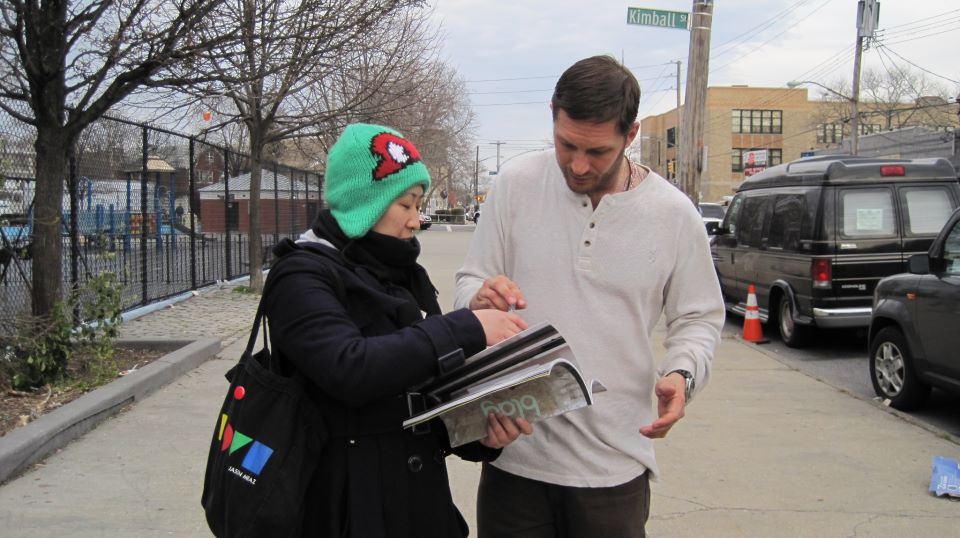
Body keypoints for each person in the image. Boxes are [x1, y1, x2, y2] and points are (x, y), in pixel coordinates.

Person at [454, 55, 725, 537]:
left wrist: (683, 374)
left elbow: (699, 317)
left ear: (631, 133)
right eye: (566, 145)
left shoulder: (673, 214)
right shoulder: (516, 186)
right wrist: (478, 300)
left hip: (614, 465)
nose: (578, 165)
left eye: (597, 151)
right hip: (514, 455)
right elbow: (470, 283)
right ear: (553, 116)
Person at [263, 123, 533, 537]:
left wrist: (480, 433)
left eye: (418, 204)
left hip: (419, 506)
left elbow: (429, 391)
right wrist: (465, 327)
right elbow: (349, 368)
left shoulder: (402, 273)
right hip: (344, 509)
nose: (415, 221)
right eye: (406, 204)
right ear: (365, 203)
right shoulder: (300, 274)